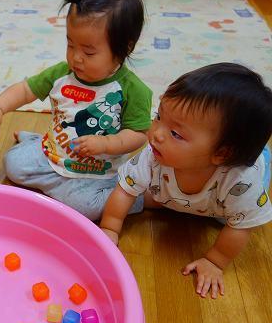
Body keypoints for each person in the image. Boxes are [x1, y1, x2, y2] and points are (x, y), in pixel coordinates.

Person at [0, 0, 152, 221]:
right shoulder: (62, 74)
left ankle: (138, 199)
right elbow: (25, 90)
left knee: (87, 209)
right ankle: (38, 147)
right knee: (12, 164)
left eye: (88, 52)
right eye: (70, 44)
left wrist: (107, 143)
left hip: (95, 174)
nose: (76, 58)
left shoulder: (133, 90)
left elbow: (138, 134)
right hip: (53, 156)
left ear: (124, 48)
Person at [99, 63, 272, 299]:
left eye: (176, 134)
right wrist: (109, 228)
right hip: (186, 194)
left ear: (221, 153)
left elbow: (241, 227)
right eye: (159, 116)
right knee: (152, 193)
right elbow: (125, 191)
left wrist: (215, 261)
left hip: (225, 198)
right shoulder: (154, 156)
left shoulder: (240, 181)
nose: (157, 133)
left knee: (233, 216)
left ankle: (263, 155)